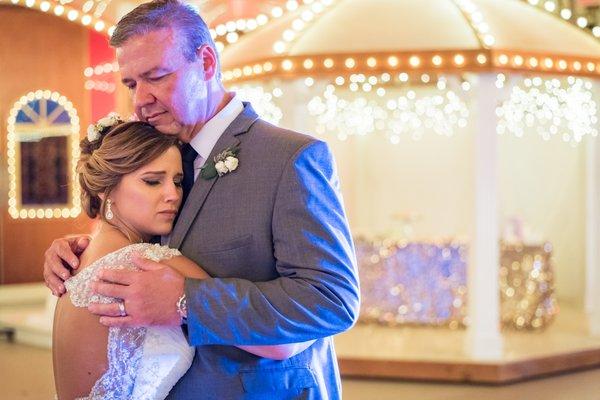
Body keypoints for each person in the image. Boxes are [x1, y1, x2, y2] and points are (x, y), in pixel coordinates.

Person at [44, 0, 360, 398]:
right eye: (130, 84)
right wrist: (83, 250)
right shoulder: (160, 154)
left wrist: (185, 301)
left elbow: (331, 300)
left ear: (207, 63)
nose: (140, 100)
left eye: (156, 77)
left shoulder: (290, 158)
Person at [53, 119, 313, 399]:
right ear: (106, 189)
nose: (172, 195)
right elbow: (281, 344)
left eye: (177, 181)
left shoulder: (73, 266)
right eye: (152, 181)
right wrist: (316, 322)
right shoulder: (153, 263)